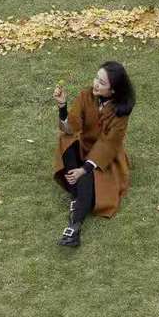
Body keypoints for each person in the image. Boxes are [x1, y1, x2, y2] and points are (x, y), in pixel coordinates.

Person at [51, 61, 135, 247]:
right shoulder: (86, 96)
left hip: (106, 159)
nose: (96, 84)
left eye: (102, 83)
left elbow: (108, 144)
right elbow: (72, 127)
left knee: (89, 175)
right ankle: (79, 196)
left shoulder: (121, 112)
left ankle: (74, 226)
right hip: (84, 148)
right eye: (96, 78)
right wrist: (63, 107)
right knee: (66, 139)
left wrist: (84, 169)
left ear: (113, 90)